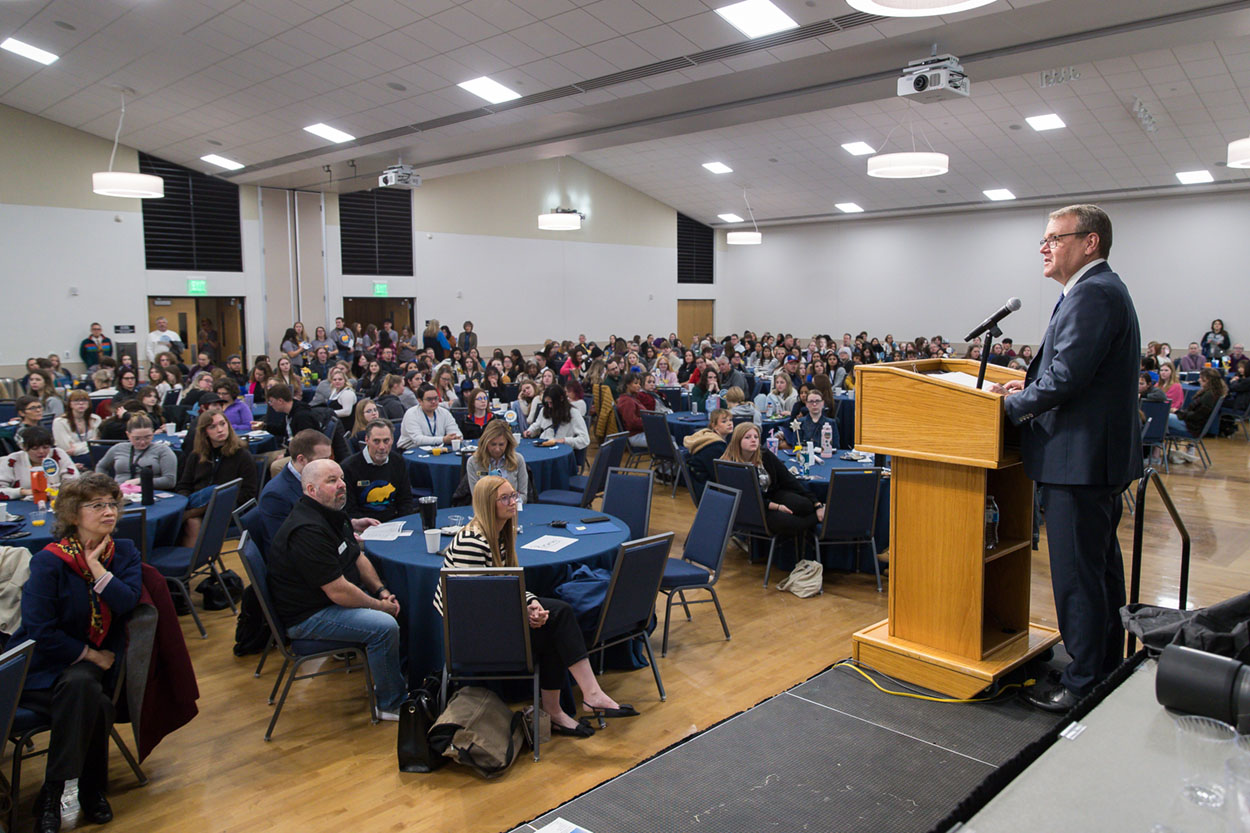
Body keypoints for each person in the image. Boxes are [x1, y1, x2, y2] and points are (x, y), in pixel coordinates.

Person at [991, 204, 1141, 712]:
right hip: (1091, 459)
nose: (1044, 246)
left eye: (1054, 237)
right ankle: (1104, 665)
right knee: (1098, 571)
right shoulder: (1097, 290)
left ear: (1090, 242)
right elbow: (1070, 374)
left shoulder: (1094, 292)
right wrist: (1028, 385)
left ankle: (1082, 683)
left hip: (1078, 462)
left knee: (1079, 577)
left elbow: (1068, 379)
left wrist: (1011, 407)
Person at [436, 476, 633, 736]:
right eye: (505, 498)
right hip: (472, 636)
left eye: (513, 496)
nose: (512, 502)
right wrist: (522, 613)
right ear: (487, 504)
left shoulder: (498, 534)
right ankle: (585, 696)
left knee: (552, 617)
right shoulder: (472, 542)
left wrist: (531, 604)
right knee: (558, 618)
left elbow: (505, 586)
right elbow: (473, 606)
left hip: (488, 620)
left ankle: (560, 710)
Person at [11, 474, 143, 833]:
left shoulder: (124, 552)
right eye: (97, 505)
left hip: (95, 668)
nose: (108, 511)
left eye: (112, 503)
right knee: (91, 697)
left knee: (84, 689)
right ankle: (87, 790)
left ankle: (53, 795)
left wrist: (98, 568)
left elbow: (127, 600)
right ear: (73, 513)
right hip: (42, 668)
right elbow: (40, 631)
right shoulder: (49, 562)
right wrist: (90, 654)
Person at [266, 458, 404, 720]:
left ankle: (393, 675)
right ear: (310, 490)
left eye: (341, 478)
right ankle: (390, 703)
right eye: (332, 481)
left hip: (327, 601)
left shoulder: (331, 512)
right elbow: (338, 591)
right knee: (384, 627)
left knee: (396, 597)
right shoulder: (307, 530)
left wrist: (381, 590)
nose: (342, 485)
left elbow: (356, 557)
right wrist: (380, 607)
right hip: (308, 616)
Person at [719, 422, 819, 547]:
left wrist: (816, 503)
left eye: (756, 437)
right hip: (751, 508)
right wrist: (777, 507)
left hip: (771, 495)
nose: (753, 440)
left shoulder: (764, 454)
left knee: (805, 505)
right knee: (788, 522)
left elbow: (789, 480)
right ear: (737, 440)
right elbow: (750, 498)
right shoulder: (731, 465)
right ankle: (819, 518)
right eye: (748, 437)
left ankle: (817, 516)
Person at [176, 411, 257, 545]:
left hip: (228, 507)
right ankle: (195, 564)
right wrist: (186, 500)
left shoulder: (242, 455)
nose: (220, 430)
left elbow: (248, 493)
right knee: (193, 517)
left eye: (222, 424)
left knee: (195, 516)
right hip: (197, 502)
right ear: (204, 432)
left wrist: (218, 502)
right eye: (212, 427)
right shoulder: (196, 456)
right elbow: (183, 486)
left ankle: (192, 563)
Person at [257, 429, 331, 547]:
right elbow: (284, 542)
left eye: (328, 458)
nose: (327, 464)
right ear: (301, 459)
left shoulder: (315, 478)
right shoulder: (276, 495)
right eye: (322, 460)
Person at [342, 420, 414, 523]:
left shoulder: (398, 461)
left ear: (392, 440)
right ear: (367, 440)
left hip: (393, 522)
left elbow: (405, 500)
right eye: (376, 441)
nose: (382, 447)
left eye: (386, 441)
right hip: (363, 525)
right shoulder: (349, 467)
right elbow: (349, 509)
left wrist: (403, 522)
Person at [95, 413, 178, 489]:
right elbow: (101, 466)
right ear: (128, 435)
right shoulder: (118, 448)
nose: (142, 442)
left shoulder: (163, 450)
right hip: (120, 491)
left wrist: (141, 481)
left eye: (147, 437)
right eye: (137, 438)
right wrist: (106, 484)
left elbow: (170, 481)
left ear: (153, 433)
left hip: (150, 491)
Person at [0, 427, 81, 498]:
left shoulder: (59, 454)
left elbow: (74, 483)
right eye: (35, 448)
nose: (41, 451)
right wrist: (23, 492)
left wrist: (54, 491)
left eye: (46, 447)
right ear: (24, 448)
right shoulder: (13, 460)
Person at [1168, 367, 1228, 460]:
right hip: (1191, 423)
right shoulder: (1212, 393)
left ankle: (1154, 453)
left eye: (1201, 377)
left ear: (1207, 379)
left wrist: (1178, 412)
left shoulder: (1209, 396)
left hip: (1191, 426)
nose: (1199, 379)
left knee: (1162, 418)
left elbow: (1197, 416)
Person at [466, 420, 529, 496]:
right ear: (485, 443)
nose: (497, 449)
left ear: (508, 443)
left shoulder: (518, 459)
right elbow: (476, 496)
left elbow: (523, 495)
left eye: (501, 444)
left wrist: (509, 502)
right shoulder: (473, 462)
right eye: (493, 444)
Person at [683, 408, 732, 502]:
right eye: (724, 421)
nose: (730, 423)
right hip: (709, 492)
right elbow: (720, 476)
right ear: (714, 426)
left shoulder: (710, 439)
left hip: (703, 486)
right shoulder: (715, 447)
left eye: (730, 420)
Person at [524, 384, 590, 449]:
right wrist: (530, 431)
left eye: (551, 403)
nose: (549, 406)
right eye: (547, 403)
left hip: (562, 450)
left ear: (561, 399)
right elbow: (537, 424)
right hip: (543, 446)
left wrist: (564, 440)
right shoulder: (545, 409)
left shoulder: (573, 413)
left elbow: (584, 440)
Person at [398, 383, 461, 450]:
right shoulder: (411, 414)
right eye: (429, 399)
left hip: (437, 448)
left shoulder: (444, 412)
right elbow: (418, 440)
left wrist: (455, 437)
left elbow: (456, 432)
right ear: (420, 401)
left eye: (436, 398)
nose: (433, 401)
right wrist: (443, 439)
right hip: (411, 449)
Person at [258, 384, 320, 450]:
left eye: (271, 401)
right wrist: (264, 426)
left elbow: (305, 443)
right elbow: (282, 430)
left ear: (280, 401)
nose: (271, 405)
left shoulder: (301, 416)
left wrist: (286, 455)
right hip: (292, 450)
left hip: (304, 454)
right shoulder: (290, 412)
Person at [54, 390, 101, 459]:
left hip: (92, 455)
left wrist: (76, 449)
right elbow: (67, 448)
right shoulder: (59, 422)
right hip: (70, 458)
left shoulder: (96, 419)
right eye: (76, 400)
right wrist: (91, 443)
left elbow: (97, 445)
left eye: (84, 400)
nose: (81, 403)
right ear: (70, 404)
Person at [614, 372, 649, 451]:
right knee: (669, 440)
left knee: (669, 437)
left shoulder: (631, 398)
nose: (639, 386)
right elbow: (632, 422)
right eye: (636, 383)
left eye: (640, 384)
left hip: (640, 433)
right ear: (627, 385)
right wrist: (649, 421)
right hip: (635, 436)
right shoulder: (627, 401)